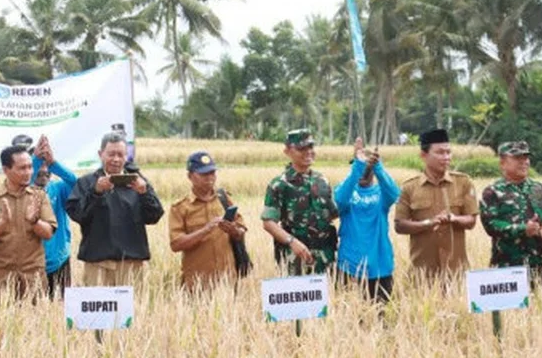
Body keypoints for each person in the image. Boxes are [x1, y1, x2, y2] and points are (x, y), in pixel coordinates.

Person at [66, 132, 164, 287]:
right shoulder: (86, 183)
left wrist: (144, 193)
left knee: (132, 311)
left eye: (120, 154)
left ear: (126, 156)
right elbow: (78, 214)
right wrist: (96, 192)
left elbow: (155, 216)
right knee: (97, 310)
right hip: (97, 264)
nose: (116, 159)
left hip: (131, 264)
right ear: (100, 154)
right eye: (111, 154)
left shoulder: (138, 182)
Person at [394, 128, 479, 282]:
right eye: (440, 153)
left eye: (448, 152)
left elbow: (471, 221)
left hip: (457, 274)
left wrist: (453, 218)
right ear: (424, 155)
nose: (446, 157)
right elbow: (399, 225)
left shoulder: (463, 182)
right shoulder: (409, 187)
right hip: (422, 274)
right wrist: (428, 223)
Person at [0, 145, 56, 298]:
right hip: (1, 278)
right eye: (22, 168)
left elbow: (48, 233)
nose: (28, 173)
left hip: (34, 278)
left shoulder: (39, 196)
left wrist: (35, 221)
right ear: (6, 170)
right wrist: (3, 222)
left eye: (30, 167)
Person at [480, 141, 542, 291]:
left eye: (526, 158)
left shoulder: (541, 189)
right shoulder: (492, 192)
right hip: (505, 267)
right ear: (503, 163)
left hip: (538, 265)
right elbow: (490, 225)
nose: (524, 162)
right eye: (518, 158)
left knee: (541, 310)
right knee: (508, 313)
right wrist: (522, 229)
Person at [261, 128, 338, 276]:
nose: (308, 152)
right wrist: (292, 242)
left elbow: (332, 214)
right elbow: (268, 222)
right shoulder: (279, 184)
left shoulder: (322, 180)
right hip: (294, 258)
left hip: (324, 257)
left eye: (310, 147)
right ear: (288, 151)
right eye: (302, 148)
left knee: (327, 298)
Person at [168, 150, 247, 292]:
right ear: (190, 176)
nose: (210, 178)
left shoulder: (224, 199)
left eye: (212, 173)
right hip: (197, 284)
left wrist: (233, 230)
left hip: (227, 281)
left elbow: (241, 230)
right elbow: (176, 244)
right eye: (204, 174)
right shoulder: (180, 208)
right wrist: (205, 230)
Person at [333, 138, 399, 303]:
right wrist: (358, 165)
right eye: (360, 166)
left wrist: (377, 166)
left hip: (380, 265)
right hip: (349, 265)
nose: (364, 172)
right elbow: (339, 201)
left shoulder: (381, 194)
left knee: (381, 317)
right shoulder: (346, 191)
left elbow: (394, 193)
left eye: (367, 168)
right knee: (349, 318)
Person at [29, 135, 77, 299]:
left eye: (47, 169)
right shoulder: (23, 191)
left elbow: (77, 184)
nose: (43, 172)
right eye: (38, 169)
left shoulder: (59, 188)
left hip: (59, 260)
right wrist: (35, 160)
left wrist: (54, 164)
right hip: (31, 262)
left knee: (61, 309)